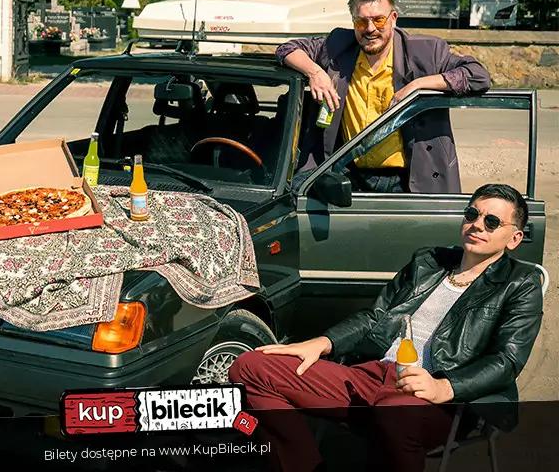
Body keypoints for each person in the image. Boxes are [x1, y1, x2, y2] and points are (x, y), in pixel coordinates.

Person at [229, 183, 543, 471]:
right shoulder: (428, 262)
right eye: (472, 214)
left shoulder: (520, 284)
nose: (477, 225)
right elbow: (374, 317)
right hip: (373, 374)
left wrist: (444, 387)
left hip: (437, 397)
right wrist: (322, 342)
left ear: (514, 238)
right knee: (251, 367)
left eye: (492, 222)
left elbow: (506, 360)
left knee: (395, 414)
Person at [277, 0, 491, 193]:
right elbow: (287, 49)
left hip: (408, 180)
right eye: (361, 21)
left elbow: (478, 76)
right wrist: (315, 73)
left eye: (378, 20)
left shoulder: (427, 51)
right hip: (347, 175)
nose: (370, 29)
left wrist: (418, 86)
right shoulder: (338, 45)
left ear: (393, 18)